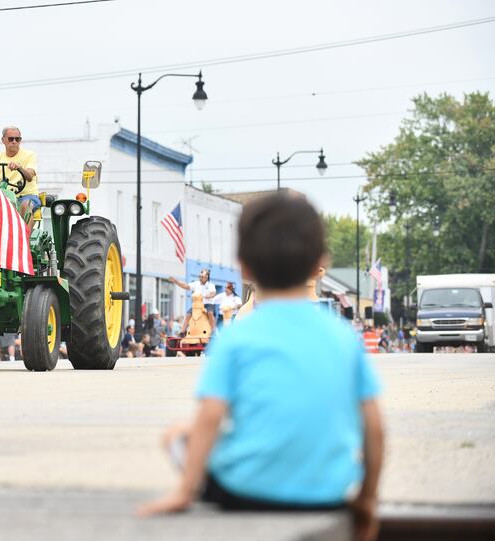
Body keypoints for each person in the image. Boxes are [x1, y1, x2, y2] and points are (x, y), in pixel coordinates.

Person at [138, 194, 384, 541]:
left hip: (246, 493)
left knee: (177, 435)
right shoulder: (344, 337)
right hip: (326, 493)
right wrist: (367, 498)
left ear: (244, 268)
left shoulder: (236, 338)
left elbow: (210, 417)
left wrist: (183, 491)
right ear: (320, 263)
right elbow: (373, 426)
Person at [0, 126, 40, 229]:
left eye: (17, 139)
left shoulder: (29, 155)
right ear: (3, 140)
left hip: (26, 195)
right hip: (5, 196)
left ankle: (24, 240)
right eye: (11, 139)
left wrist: (20, 168)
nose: (14, 142)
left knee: (26, 205)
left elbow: (30, 176)